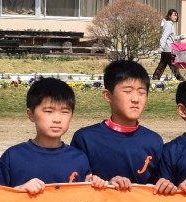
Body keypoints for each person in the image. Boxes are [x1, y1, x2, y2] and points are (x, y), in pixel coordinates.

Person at [71, 59, 176, 193]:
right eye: (127, 91)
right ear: (107, 95)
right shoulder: (85, 139)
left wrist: (167, 185)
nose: (136, 99)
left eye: (141, 92)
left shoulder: (153, 141)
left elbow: (158, 188)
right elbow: (74, 187)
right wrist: (108, 185)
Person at [0, 77, 108, 192]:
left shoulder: (79, 158)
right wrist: (19, 190)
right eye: (49, 111)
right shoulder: (14, 156)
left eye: (64, 112)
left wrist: (94, 185)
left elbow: (85, 199)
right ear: (31, 114)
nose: (57, 119)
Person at [153, 8, 182, 81]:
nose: (175, 17)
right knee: (173, 64)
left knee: (162, 64)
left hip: (166, 49)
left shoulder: (169, 24)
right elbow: (164, 36)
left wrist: (180, 37)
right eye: (174, 15)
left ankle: (155, 77)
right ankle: (180, 78)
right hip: (168, 49)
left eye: (176, 15)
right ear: (169, 16)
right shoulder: (169, 25)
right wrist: (161, 47)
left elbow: (171, 38)